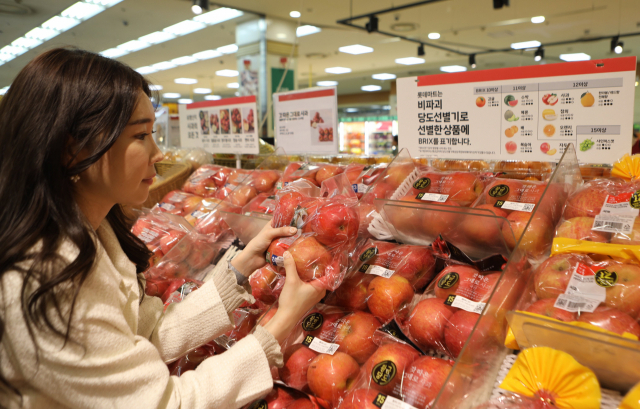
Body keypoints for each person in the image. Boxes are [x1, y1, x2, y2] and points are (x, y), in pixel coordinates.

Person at [0, 48, 325, 408]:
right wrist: (282, 323)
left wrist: (240, 268)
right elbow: (165, 404)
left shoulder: (90, 232)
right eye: (140, 136)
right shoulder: (46, 278)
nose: (159, 154)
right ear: (71, 149)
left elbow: (145, 333)